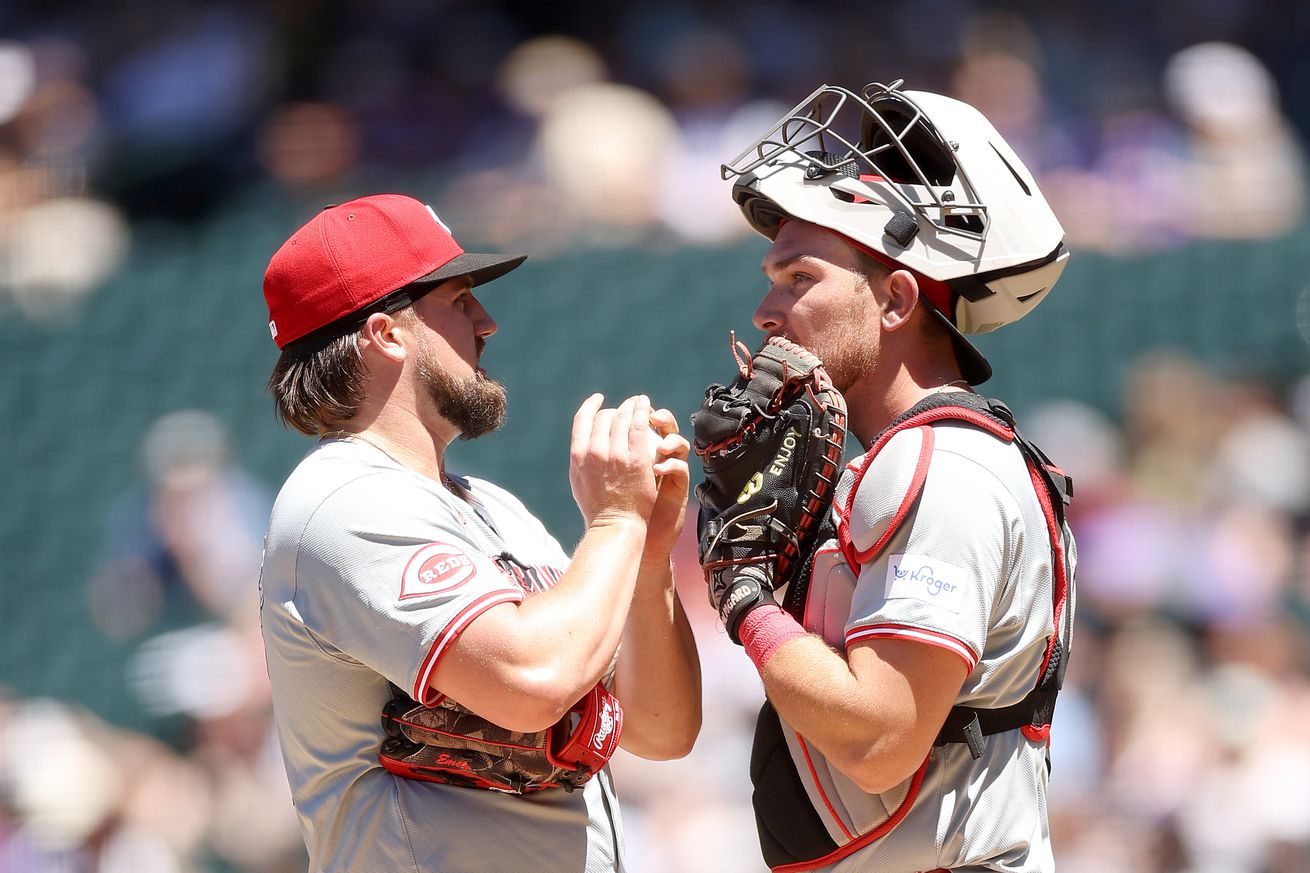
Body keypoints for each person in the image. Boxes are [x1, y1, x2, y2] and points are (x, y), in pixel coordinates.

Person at [256, 193, 701, 873]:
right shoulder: (340, 502)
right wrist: (612, 520)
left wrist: (645, 555)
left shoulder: (492, 507)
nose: (487, 322)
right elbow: (533, 679)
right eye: (459, 301)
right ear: (387, 333)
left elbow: (661, 729)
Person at [704, 80, 1078, 871]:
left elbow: (879, 738)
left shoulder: (943, 463)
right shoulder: (898, 458)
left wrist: (745, 600)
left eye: (799, 277)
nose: (767, 310)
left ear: (897, 298)